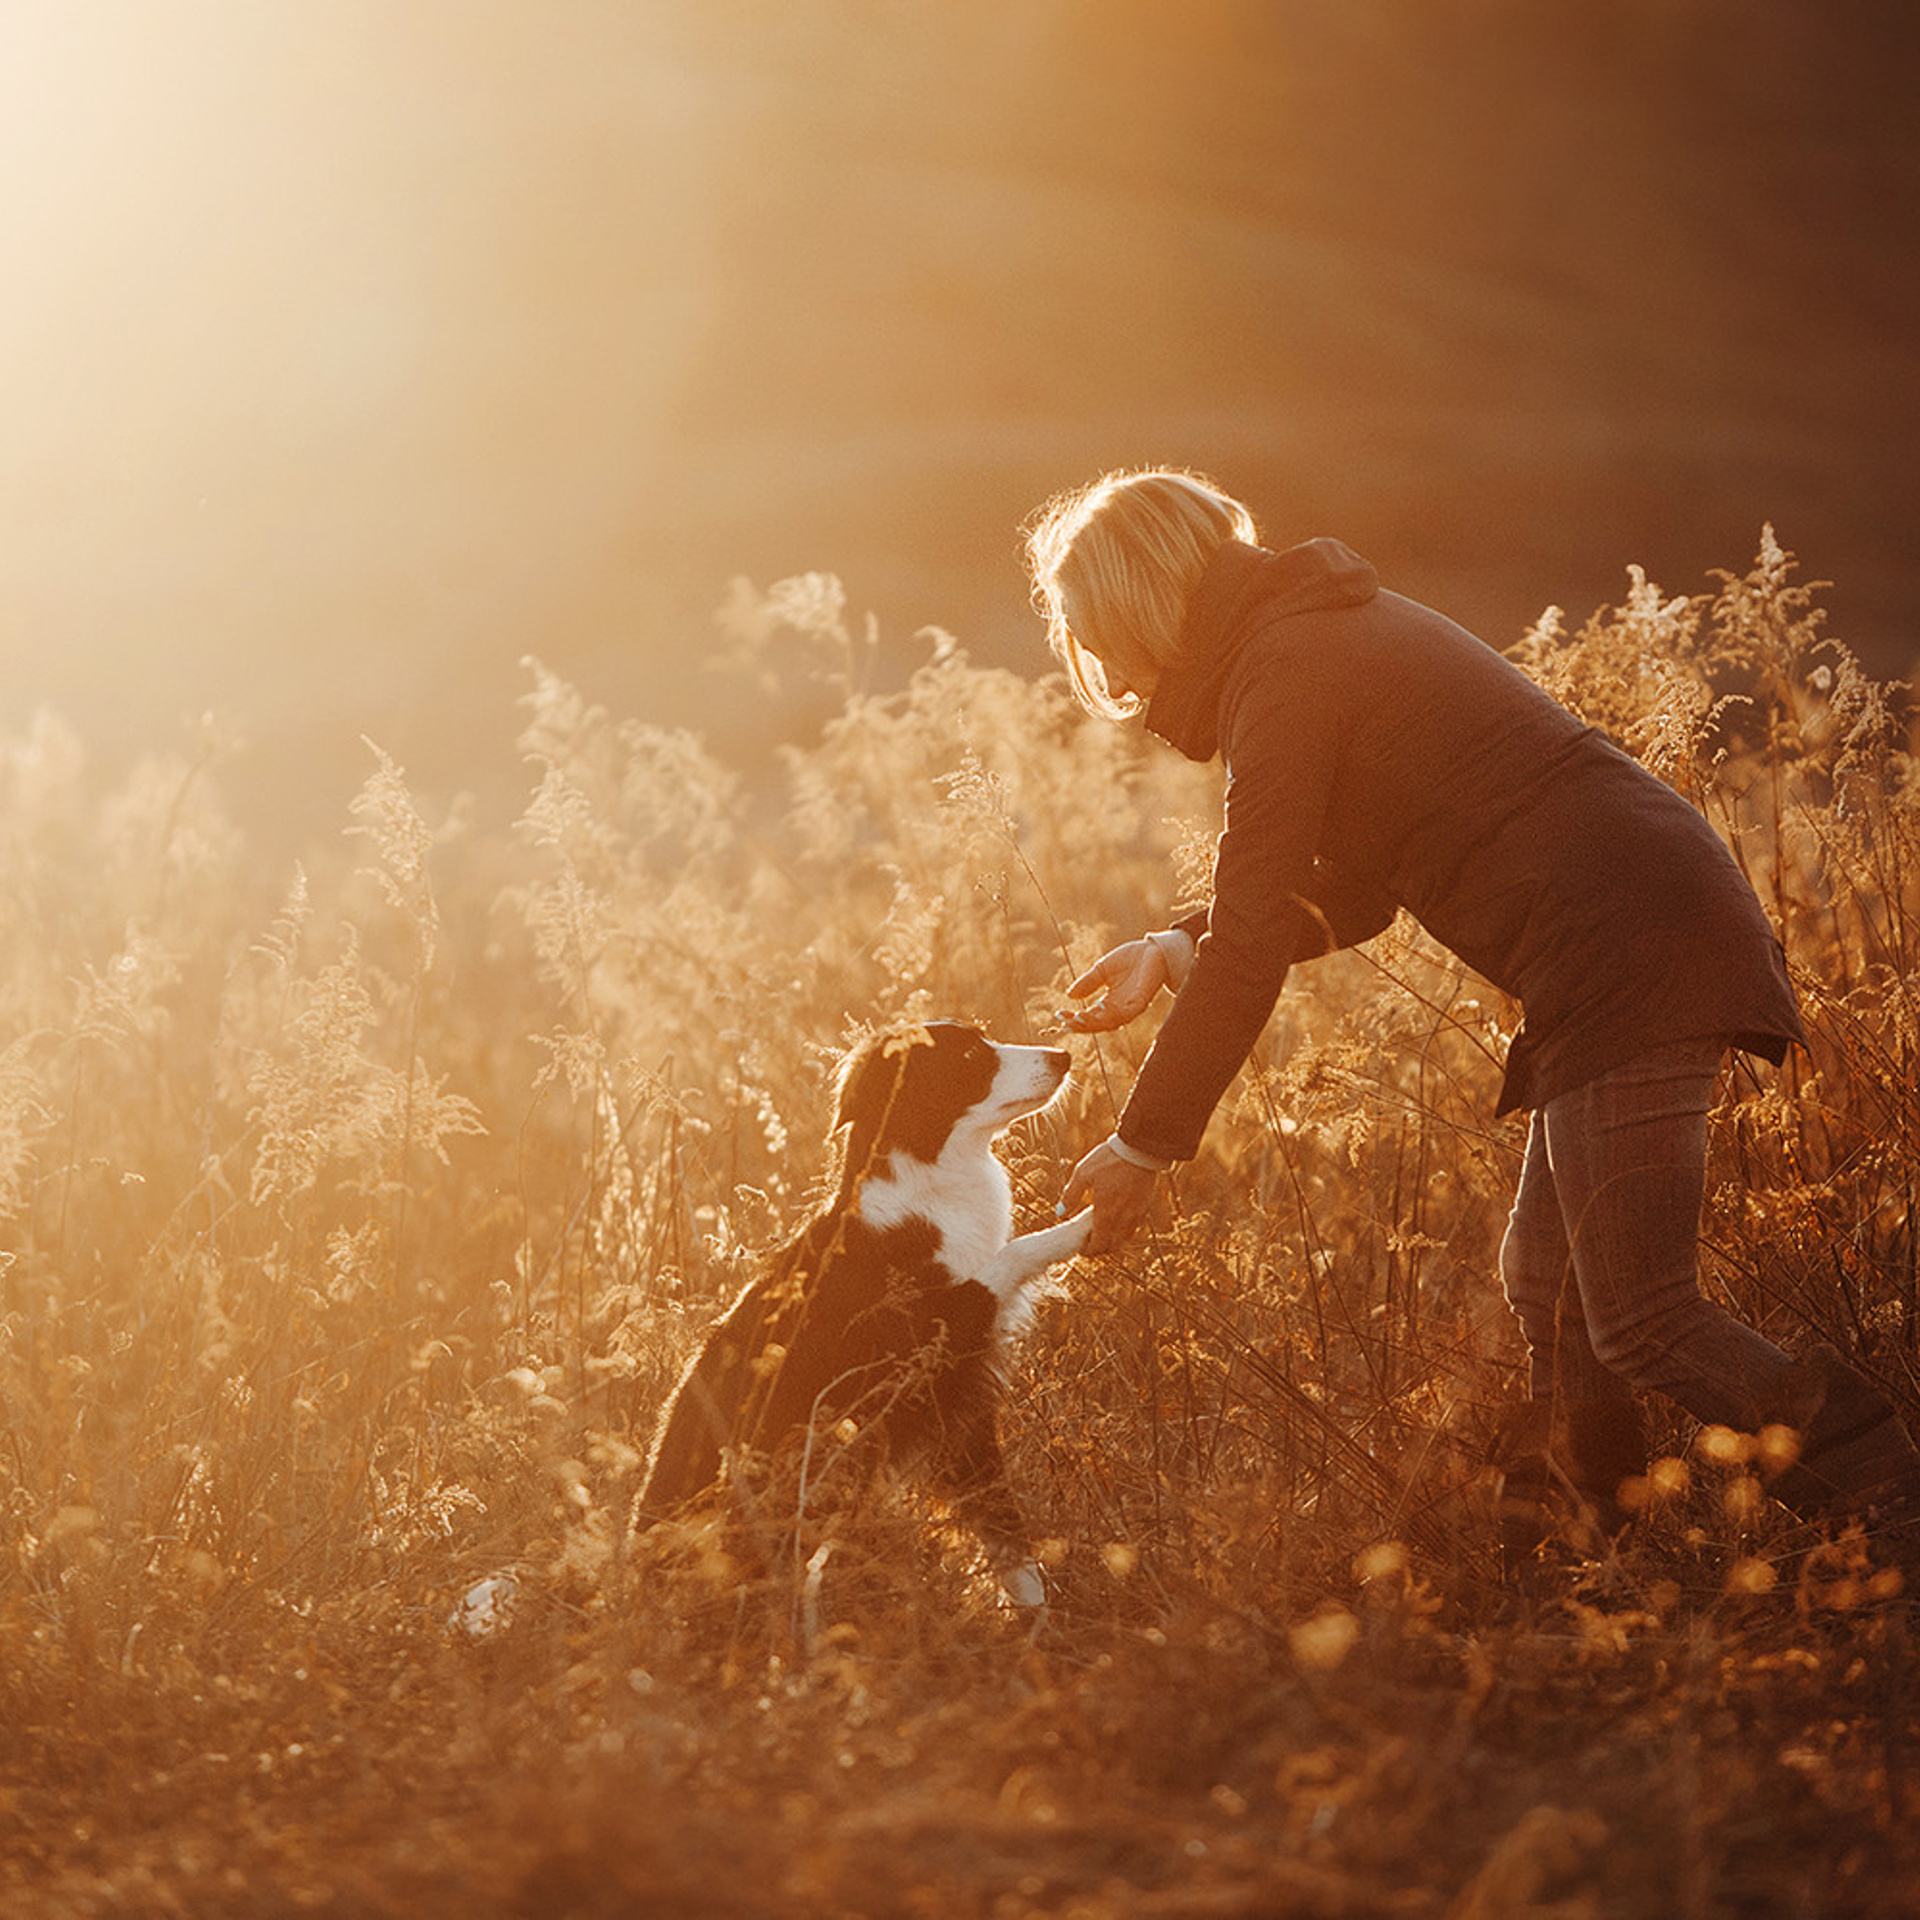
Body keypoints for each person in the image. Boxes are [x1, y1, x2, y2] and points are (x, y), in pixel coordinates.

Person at [1029, 465, 1920, 1544]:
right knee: (1545, 1282)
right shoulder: (1307, 634)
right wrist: (1176, 946)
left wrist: (1145, 1144)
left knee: (1642, 1316)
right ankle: (1588, 1554)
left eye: (1099, 637)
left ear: (1136, 605)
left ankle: (1891, 1504)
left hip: (1628, 943)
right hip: (1629, 932)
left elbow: (1258, 939)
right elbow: (1357, 888)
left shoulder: (1287, 665)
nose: (1112, 670)